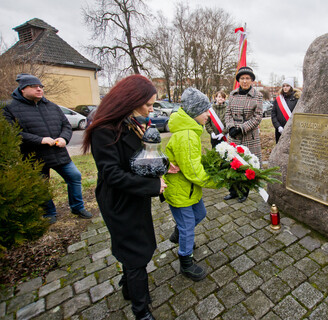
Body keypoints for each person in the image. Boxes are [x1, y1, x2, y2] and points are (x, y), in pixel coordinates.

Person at [82, 75, 176, 320]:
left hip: (133, 196)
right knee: (135, 254)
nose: (151, 110)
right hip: (119, 200)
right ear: (130, 100)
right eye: (148, 105)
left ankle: (129, 287)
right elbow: (112, 174)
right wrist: (153, 186)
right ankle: (141, 310)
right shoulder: (104, 128)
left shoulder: (130, 121)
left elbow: (140, 157)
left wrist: (162, 166)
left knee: (133, 246)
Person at [3, 73, 92, 224]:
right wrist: (40, 140)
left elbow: (66, 125)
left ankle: (77, 207)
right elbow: (12, 132)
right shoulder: (11, 109)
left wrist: (64, 138)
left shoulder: (51, 106)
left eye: (40, 86)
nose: (39, 89)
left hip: (58, 153)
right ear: (22, 89)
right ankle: (49, 212)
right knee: (42, 185)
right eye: (34, 87)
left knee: (74, 176)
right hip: (33, 157)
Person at [163, 87, 218, 281]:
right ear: (194, 112)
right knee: (188, 227)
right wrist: (218, 181)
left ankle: (178, 233)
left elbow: (193, 162)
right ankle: (185, 262)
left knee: (200, 214)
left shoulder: (191, 132)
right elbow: (193, 172)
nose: (207, 115)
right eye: (204, 111)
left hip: (189, 189)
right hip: (181, 191)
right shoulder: (186, 136)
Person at [224, 66, 263, 202]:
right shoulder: (232, 94)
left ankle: (244, 192)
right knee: (233, 162)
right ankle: (233, 190)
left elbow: (258, 117)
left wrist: (241, 128)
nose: (245, 81)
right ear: (238, 80)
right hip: (233, 135)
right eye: (242, 78)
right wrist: (230, 127)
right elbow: (227, 113)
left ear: (251, 80)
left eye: (247, 78)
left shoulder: (257, 95)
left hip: (248, 135)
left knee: (247, 164)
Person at [271, 78, 301, 143]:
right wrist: (278, 126)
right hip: (279, 130)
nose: (285, 88)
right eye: (283, 86)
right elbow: (273, 114)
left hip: (292, 129)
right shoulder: (278, 100)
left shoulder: (296, 99)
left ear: (291, 87)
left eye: (287, 86)